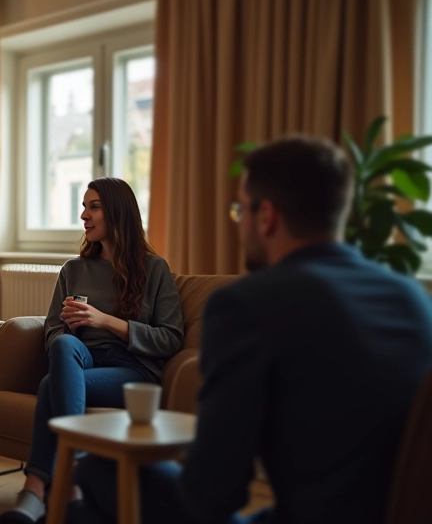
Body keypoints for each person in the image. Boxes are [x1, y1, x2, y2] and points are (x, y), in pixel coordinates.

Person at [72, 136, 432, 524]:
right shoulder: (410, 297)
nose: (239, 223)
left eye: (238, 211)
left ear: (267, 216)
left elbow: (214, 493)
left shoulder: (249, 304)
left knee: (98, 470)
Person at [0, 177, 185, 524]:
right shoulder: (74, 269)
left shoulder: (155, 269)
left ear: (118, 213)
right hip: (81, 359)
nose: (84, 214)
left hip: (132, 370)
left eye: (93, 206)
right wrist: (69, 331)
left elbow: (170, 338)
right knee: (66, 344)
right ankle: (72, 484)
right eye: (84, 206)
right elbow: (52, 330)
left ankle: (38, 488)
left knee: (46, 387)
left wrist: (105, 321)